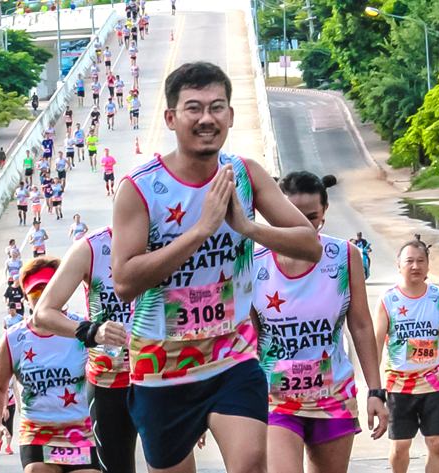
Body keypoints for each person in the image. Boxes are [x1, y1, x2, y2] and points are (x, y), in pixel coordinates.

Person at [111, 61, 321, 473]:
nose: (207, 118)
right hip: (161, 366)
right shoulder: (139, 188)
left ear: (230, 115)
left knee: (250, 464)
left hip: (233, 354)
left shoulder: (244, 174)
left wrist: (245, 225)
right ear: (171, 118)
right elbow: (123, 281)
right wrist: (200, 231)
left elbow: (309, 243)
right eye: (194, 108)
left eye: (217, 107)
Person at [251, 171, 388, 472]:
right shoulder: (253, 262)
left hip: (333, 396)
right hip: (276, 398)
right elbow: (247, 341)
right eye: (291, 216)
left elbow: (362, 326)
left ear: (325, 212)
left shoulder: (344, 257)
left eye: (311, 218)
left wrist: (376, 391)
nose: (301, 227)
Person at [35, 227, 137, 472]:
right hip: (110, 383)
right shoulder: (90, 247)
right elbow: (43, 312)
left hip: (162, 376)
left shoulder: (170, 235)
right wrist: (92, 331)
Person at [374, 239, 439, 473]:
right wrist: (374, 390)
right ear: (398, 265)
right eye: (409, 261)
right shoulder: (388, 300)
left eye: (421, 261)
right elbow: (376, 344)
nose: (415, 266)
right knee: (401, 446)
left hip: (433, 383)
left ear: (428, 265)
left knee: (436, 443)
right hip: (399, 385)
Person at [0, 257, 100, 472]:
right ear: (26, 298)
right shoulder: (14, 338)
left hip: (80, 429)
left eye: (47, 291)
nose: (41, 300)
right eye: (35, 294)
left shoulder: (83, 329)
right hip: (37, 430)